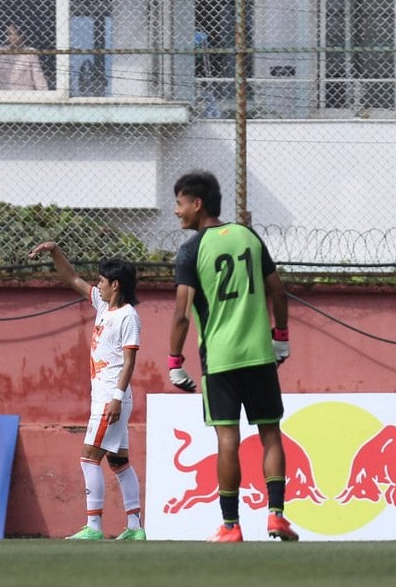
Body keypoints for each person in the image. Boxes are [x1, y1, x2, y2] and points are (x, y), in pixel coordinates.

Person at [168, 170, 298, 543]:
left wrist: (175, 362)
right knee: (270, 433)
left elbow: (181, 312)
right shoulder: (249, 236)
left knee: (228, 439)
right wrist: (282, 338)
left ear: (197, 203)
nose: (177, 212)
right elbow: (279, 292)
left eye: (179, 203)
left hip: (220, 361)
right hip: (259, 356)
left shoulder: (192, 250)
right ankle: (276, 517)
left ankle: (231, 525)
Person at [28, 242, 146, 541]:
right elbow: (72, 279)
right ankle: (135, 528)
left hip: (111, 399)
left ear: (115, 284)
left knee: (88, 458)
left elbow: (130, 360)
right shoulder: (104, 306)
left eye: (103, 281)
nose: (98, 286)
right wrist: (55, 251)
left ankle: (93, 527)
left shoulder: (128, 316)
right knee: (119, 463)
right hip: (108, 397)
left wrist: (117, 398)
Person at [0, 22, 49, 91]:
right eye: (9, 34)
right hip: (4, 95)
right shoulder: (0, 52)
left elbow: (38, 78)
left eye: (15, 34)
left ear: (22, 36)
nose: (12, 37)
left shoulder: (30, 53)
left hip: (25, 95)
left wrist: (44, 94)